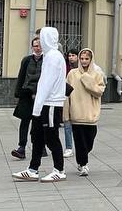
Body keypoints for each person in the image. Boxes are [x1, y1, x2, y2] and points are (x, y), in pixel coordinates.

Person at [14, 25, 66, 182]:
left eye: (41, 39)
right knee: (37, 137)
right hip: (43, 103)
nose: (39, 43)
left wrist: (37, 106)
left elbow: (46, 84)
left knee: (51, 137)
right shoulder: (50, 56)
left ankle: (59, 169)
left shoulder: (53, 57)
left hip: (50, 104)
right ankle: (33, 169)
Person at [65, 48, 105, 177]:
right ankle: (83, 164)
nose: (83, 61)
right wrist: (66, 114)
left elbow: (99, 91)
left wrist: (87, 79)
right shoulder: (72, 73)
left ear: (91, 59)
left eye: (86, 59)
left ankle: (82, 158)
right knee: (80, 141)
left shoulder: (97, 74)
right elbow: (66, 93)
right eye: (81, 59)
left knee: (89, 141)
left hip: (91, 114)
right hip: (76, 113)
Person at [11, 36, 43, 159]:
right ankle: (21, 148)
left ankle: (41, 146)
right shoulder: (26, 60)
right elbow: (21, 76)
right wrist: (18, 93)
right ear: (32, 47)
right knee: (25, 121)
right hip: (26, 94)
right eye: (35, 45)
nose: (38, 48)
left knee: (39, 123)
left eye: (40, 45)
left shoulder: (47, 60)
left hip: (41, 95)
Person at [62, 51, 79, 156]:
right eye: (69, 56)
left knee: (78, 125)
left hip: (79, 100)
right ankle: (68, 147)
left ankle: (81, 146)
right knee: (67, 123)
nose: (71, 58)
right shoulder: (65, 67)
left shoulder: (84, 69)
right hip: (67, 98)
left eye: (73, 55)